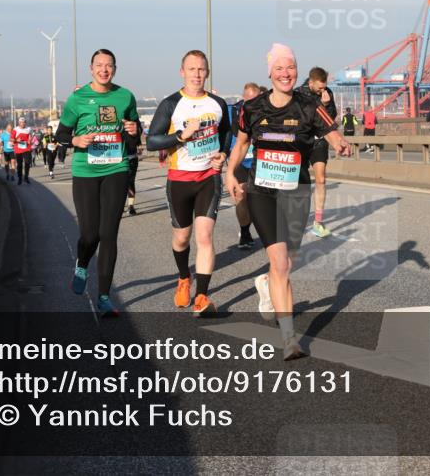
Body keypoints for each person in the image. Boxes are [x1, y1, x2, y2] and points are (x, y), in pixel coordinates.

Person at [225, 43, 351, 360]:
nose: (285, 73)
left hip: (297, 190)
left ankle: (266, 283)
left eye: (291, 68)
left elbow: (332, 132)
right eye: (279, 68)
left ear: (297, 71)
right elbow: (241, 145)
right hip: (262, 191)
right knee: (280, 262)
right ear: (270, 72)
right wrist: (230, 172)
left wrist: (341, 144)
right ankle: (289, 340)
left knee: (289, 260)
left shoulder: (309, 104)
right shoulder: (251, 108)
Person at [55, 49, 140, 317]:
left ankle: (104, 297)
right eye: (99, 65)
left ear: (115, 68)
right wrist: (76, 141)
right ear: (91, 69)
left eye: (109, 66)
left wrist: (134, 131)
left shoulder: (125, 96)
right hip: (86, 171)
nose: (104, 70)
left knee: (109, 233)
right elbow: (61, 134)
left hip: (116, 168)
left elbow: (134, 135)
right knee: (90, 233)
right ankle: (82, 263)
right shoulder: (77, 99)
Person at [146, 50, 231, 318]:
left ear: (207, 72)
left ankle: (202, 297)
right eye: (191, 69)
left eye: (201, 69)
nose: (197, 74)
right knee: (182, 238)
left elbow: (227, 132)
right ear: (182, 71)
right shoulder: (171, 104)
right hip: (180, 179)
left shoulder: (217, 103)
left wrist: (223, 153)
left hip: (209, 178)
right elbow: (152, 141)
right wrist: (181, 136)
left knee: (204, 237)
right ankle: (184, 277)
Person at [296, 67, 337, 237]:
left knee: (321, 179)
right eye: (319, 88)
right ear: (311, 82)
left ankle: (318, 222)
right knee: (301, 183)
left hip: (319, 141)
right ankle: (295, 216)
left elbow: (331, 117)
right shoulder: (298, 94)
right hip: (302, 141)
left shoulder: (327, 93)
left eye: (324, 87)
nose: (322, 91)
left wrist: (327, 104)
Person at [229, 82, 262, 249]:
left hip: (260, 162)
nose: (251, 103)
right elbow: (231, 134)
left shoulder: (266, 111)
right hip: (241, 161)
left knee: (260, 201)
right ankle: (245, 232)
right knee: (241, 196)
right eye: (248, 100)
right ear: (243, 98)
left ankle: (266, 232)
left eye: (255, 100)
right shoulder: (235, 112)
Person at [123, 119, 144, 216]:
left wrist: (139, 145)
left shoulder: (135, 120)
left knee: (130, 182)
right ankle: (121, 205)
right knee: (119, 183)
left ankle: (131, 206)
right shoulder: (114, 119)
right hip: (115, 158)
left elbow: (138, 133)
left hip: (131, 156)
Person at [13, 116, 33, 185]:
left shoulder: (29, 129)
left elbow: (32, 136)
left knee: (27, 162)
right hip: (18, 150)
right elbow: (11, 139)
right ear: (19, 123)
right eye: (21, 122)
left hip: (26, 148)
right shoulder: (15, 129)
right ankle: (20, 178)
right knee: (19, 165)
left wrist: (30, 140)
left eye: (24, 122)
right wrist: (16, 140)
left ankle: (26, 177)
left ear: (25, 123)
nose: (23, 124)